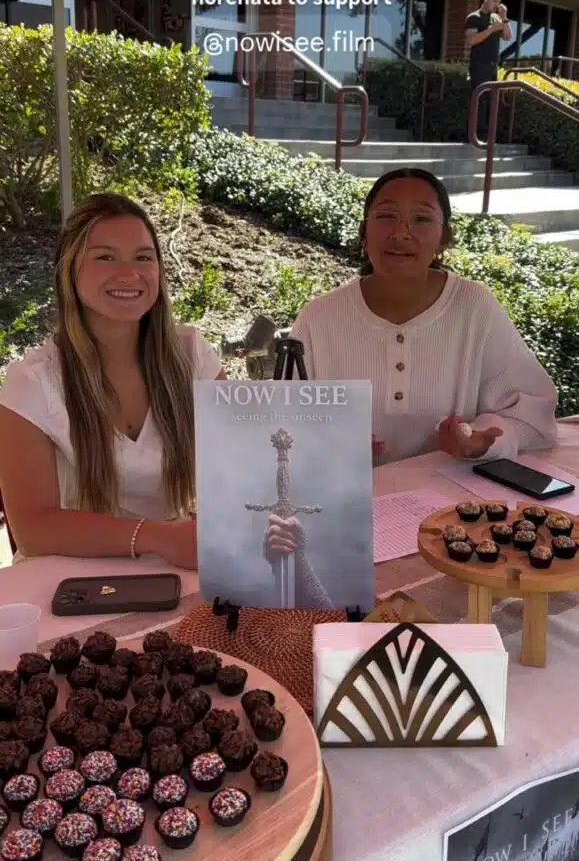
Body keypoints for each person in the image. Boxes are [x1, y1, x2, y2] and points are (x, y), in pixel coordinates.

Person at [0, 192, 278, 568]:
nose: (128, 273)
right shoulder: (30, 383)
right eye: (105, 257)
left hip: (176, 565)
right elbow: (34, 529)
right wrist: (158, 537)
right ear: (69, 270)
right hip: (67, 580)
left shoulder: (192, 353)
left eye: (143, 258)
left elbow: (236, 463)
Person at [286, 167, 558, 469]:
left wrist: (481, 440)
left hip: (450, 504)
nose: (401, 233)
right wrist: (329, 444)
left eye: (422, 219)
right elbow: (285, 424)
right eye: (387, 216)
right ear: (364, 232)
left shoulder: (474, 307)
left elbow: (532, 411)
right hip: (349, 501)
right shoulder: (319, 318)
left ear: (445, 237)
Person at [465, 0, 512, 137]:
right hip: (479, 65)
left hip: (493, 67)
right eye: (494, 1)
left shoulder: (497, 18)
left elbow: (507, 37)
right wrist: (491, 29)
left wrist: (504, 19)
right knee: (479, 101)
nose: (497, 5)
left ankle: (488, 138)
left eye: (499, 2)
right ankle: (474, 136)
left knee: (492, 103)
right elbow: (471, 40)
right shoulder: (474, 17)